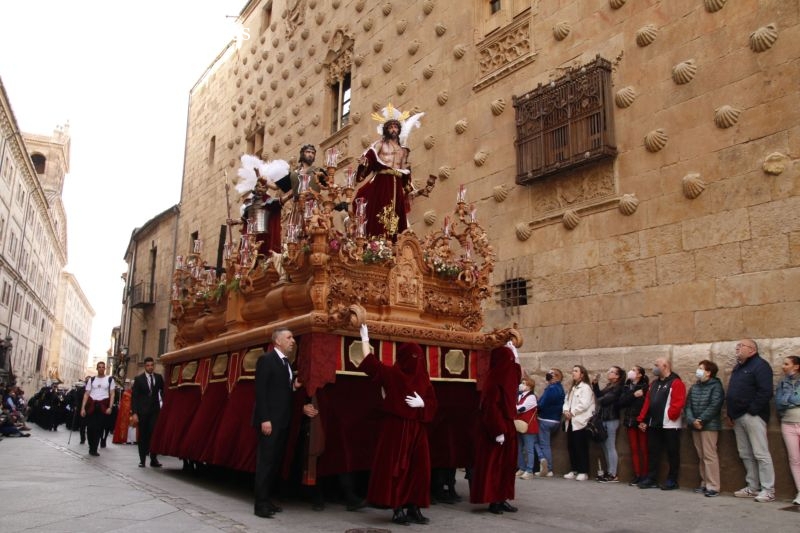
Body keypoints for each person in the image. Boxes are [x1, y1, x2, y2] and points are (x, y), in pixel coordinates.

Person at [358, 324, 437, 526]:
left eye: (419, 357)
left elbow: (433, 404)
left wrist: (423, 405)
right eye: (413, 357)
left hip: (418, 429)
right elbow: (371, 364)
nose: (417, 361)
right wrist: (365, 340)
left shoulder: (424, 378)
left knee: (420, 469)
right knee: (397, 469)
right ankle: (398, 508)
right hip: (397, 430)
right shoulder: (393, 374)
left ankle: (414, 506)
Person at [354, 105, 424, 237]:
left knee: (397, 213)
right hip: (382, 181)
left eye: (396, 127)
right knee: (380, 209)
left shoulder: (403, 150)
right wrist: (365, 163)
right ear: (386, 129)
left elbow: (405, 172)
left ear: (399, 129)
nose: (393, 129)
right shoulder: (380, 144)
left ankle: (395, 240)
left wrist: (412, 190)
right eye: (390, 127)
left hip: (396, 182)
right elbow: (371, 156)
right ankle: (378, 239)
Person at [253, 327, 300, 519]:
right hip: (270, 421)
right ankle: (260, 504)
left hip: (282, 420)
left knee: (274, 463)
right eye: (289, 337)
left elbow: (281, 388)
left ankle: (267, 499)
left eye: (292, 337)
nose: (293, 341)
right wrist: (265, 419)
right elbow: (261, 391)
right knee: (265, 462)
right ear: (278, 341)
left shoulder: (286, 363)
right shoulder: (266, 360)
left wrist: (294, 387)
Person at [470, 342, 521, 514]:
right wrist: (498, 430)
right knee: (495, 467)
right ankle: (493, 500)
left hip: (507, 426)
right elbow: (490, 407)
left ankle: (502, 497)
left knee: (506, 467)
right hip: (497, 428)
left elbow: (516, 376)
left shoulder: (505, 377)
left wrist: (516, 358)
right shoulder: (493, 380)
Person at [726, 339, 776, 503]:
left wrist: (752, 410)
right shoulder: (738, 367)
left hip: (753, 416)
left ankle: (768, 489)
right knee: (745, 453)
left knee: (761, 453)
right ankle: (752, 487)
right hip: (738, 417)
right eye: (737, 346)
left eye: (742, 346)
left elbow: (766, 391)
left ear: (752, 350)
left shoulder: (761, 366)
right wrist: (731, 414)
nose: (738, 348)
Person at [636, 357, 686, 490]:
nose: (654, 368)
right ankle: (651, 478)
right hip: (654, 424)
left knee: (672, 453)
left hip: (670, 425)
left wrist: (670, 416)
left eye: (656, 365)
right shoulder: (654, 384)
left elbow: (678, 402)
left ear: (665, 366)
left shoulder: (676, 382)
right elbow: (648, 402)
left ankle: (672, 480)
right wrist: (642, 419)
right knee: (653, 452)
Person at [684, 360, 724, 497]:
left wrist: (701, 420)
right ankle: (704, 483)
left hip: (708, 426)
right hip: (696, 426)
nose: (698, 371)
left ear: (709, 372)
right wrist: (692, 420)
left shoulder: (716, 386)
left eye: (701, 368)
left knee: (709, 455)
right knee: (701, 456)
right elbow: (688, 405)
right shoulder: (695, 387)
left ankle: (713, 485)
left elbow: (715, 405)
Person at [562, 365, 595, 481]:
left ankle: (583, 471)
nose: (573, 373)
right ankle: (574, 469)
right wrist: (566, 410)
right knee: (571, 446)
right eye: (573, 370)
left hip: (581, 421)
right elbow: (566, 400)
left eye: (576, 371)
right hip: (570, 421)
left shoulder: (585, 387)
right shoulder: (573, 387)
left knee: (580, 447)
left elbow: (584, 404)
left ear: (582, 374)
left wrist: (572, 412)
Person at [592, 366, 625, 483]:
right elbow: (599, 395)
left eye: (612, 372)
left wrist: (600, 398)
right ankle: (609, 471)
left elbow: (604, 400)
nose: (608, 373)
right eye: (609, 370)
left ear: (617, 376)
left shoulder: (618, 387)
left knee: (610, 446)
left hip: (611, 419)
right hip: (604, 418)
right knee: (605, 447)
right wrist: (595, 384)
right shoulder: (609, 386)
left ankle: (613, 473)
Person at [618, 366, 649, 485]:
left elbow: (647, 404)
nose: (631, 371)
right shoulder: (627, 386)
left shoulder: (645, 387)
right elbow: (621, 402)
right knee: (634, 449)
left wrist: (644, 420)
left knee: (643, 449)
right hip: (630, 420)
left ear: (640, 374)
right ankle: (637, 474)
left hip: (640, 420)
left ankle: (645, 474)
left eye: (634, 370)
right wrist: (633, 395)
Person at [775, 355, 800, 505]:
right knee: (794, 459)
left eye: (786, 364)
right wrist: (791, 400)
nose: (783, 366)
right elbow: (778, 403)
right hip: (787, 423)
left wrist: (787, 399)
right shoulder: (782, 382)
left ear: (796, 366)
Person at [131, 358, 164, 467]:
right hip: (142, 412)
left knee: (154, 434)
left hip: (155, 411)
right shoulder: (139, 379)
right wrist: (134, 413)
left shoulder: (158, 378)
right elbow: (134, 397)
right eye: (148, 365)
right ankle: (142, 460)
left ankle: (153, 459)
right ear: (145, 366)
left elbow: (163, 393)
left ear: (153, 366)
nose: (150, 367)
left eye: (152, 365)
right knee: (143, 436)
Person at [80, 361, 116, 457]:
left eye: (103, 367)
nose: (101, 368)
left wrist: (110, 407)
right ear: (97, 368)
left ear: (105, 369)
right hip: (92, 406)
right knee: (90, 428)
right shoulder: (92, 380)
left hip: (102, 407)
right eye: (99, 367)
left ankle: (94, 448)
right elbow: (86, 394)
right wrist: (83, 408)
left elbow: (112, 394)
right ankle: (91, 446)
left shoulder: (109, 379)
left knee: (99, 428)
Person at [534, 368, 565, 477]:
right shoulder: (560, 388)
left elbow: (542, 404)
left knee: (542, 444)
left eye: (551, 373)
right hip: (556, 420)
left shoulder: (551, 389)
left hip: (545, 419)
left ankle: (547, 466)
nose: (548, 374)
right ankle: (546, 466)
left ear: (556, 376)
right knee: (543, 443)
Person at [515, 374, 538, 480]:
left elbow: (521, 408)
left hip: (528, 426)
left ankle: (529, 470)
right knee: (519, 448)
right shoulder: (520, 396)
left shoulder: (532, 397)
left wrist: (512, 406)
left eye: (524, 384)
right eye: (522, 383)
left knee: (529, 449)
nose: (521, 385)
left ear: (529, 387)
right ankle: (522, 467)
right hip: (520, 424)